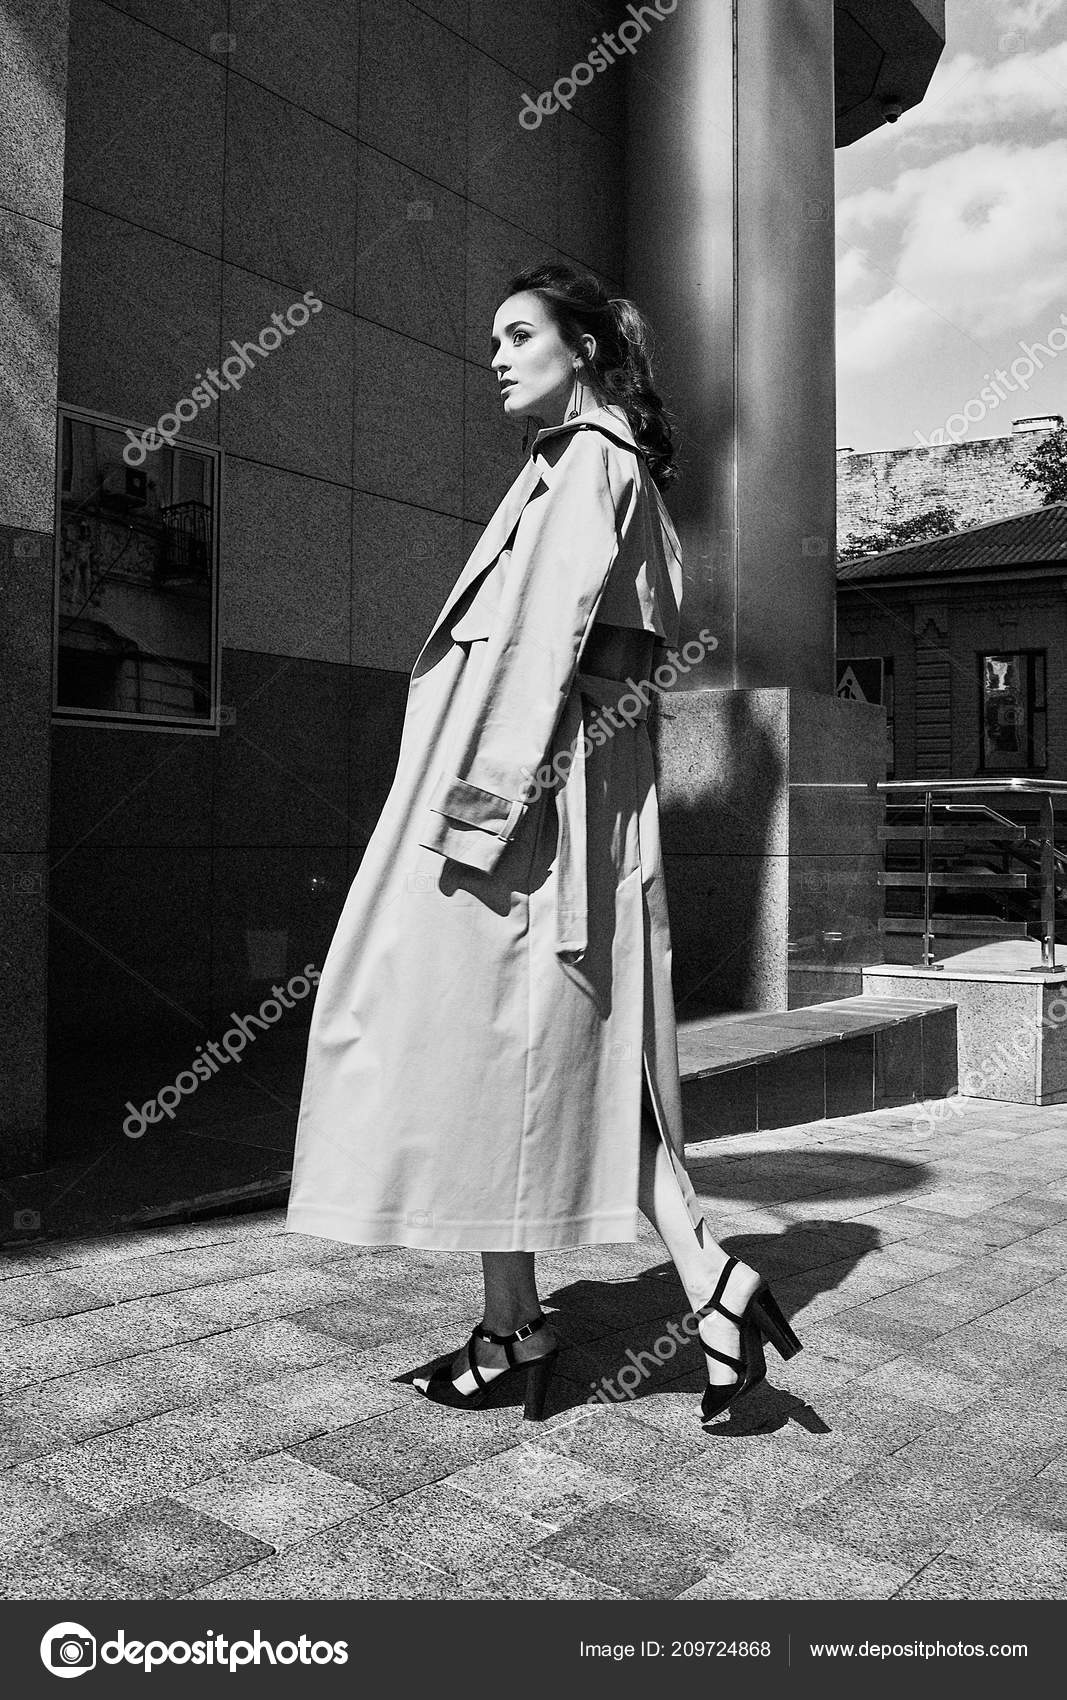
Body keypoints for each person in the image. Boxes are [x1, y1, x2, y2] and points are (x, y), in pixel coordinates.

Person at [284, 262, 800, 1425]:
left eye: (520, 334)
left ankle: (687, 1280)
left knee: (537, 1052)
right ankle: (529, 1321)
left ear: (585, 347)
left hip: (526, 813)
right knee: (521, 1061)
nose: (497, 356)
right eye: (493, 338)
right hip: (556, 802)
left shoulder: (585, 467)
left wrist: (474, 815)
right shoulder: (596, 469)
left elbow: (533, 655)